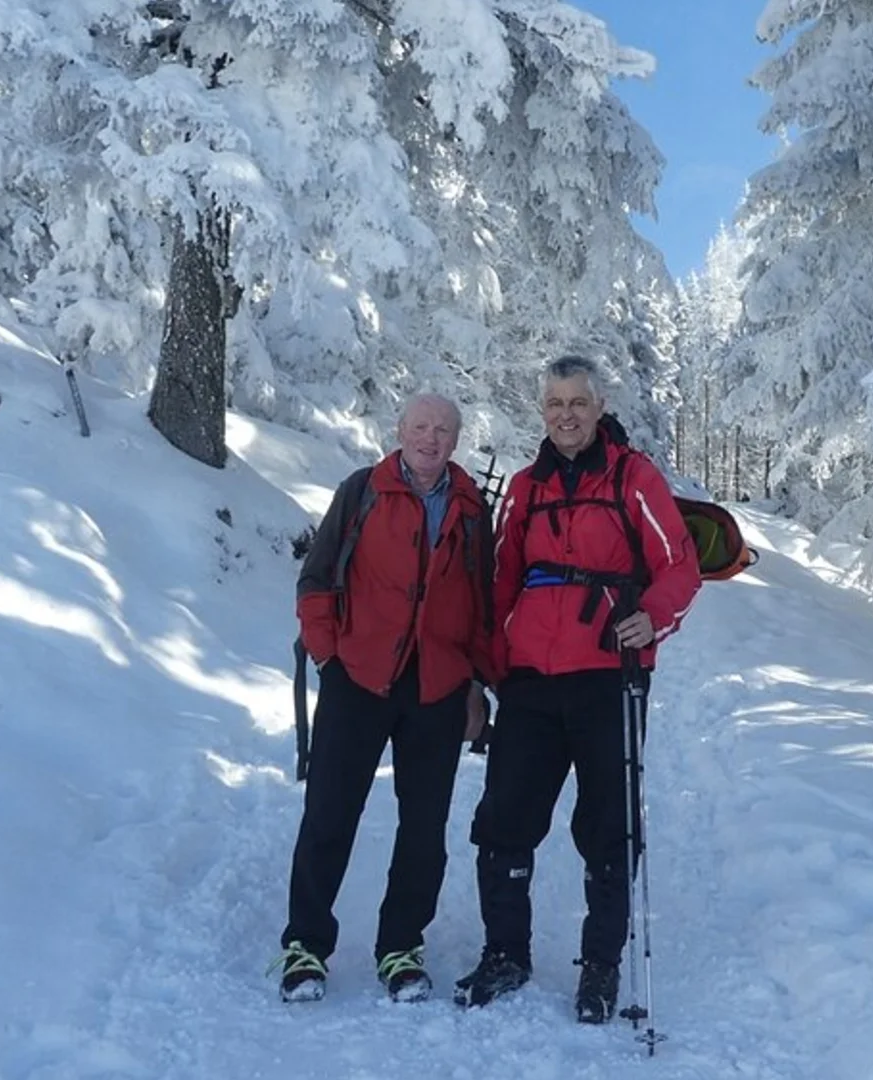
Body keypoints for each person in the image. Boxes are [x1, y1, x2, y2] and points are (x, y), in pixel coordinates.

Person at [455, 355, 701, 1023]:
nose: (566, 414)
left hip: (607, 678)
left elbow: (680, 563)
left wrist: (653, 617)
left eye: (578, 402)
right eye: (555, 403)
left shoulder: (634, 478)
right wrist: (490, 666)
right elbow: (502, 578)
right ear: (543, 411)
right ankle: (506, 952)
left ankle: (599, 967)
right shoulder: (527, 488)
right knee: (505, 820)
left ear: (598, 408)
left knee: (608, 827)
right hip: (530, 680)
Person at [278, 392, 494, 1004]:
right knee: (329, 816)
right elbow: (316, 579)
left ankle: (401, 946)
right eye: (421, 426)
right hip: (361, 679)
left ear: (456, 441)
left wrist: (477, 685)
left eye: (444, 430)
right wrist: (329, 658)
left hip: (438, 688)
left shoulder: (471, 509)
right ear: (399, 430)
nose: (431, 438)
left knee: (424, 829)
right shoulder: (361, 491)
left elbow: (482, 607)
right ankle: (306, 945)